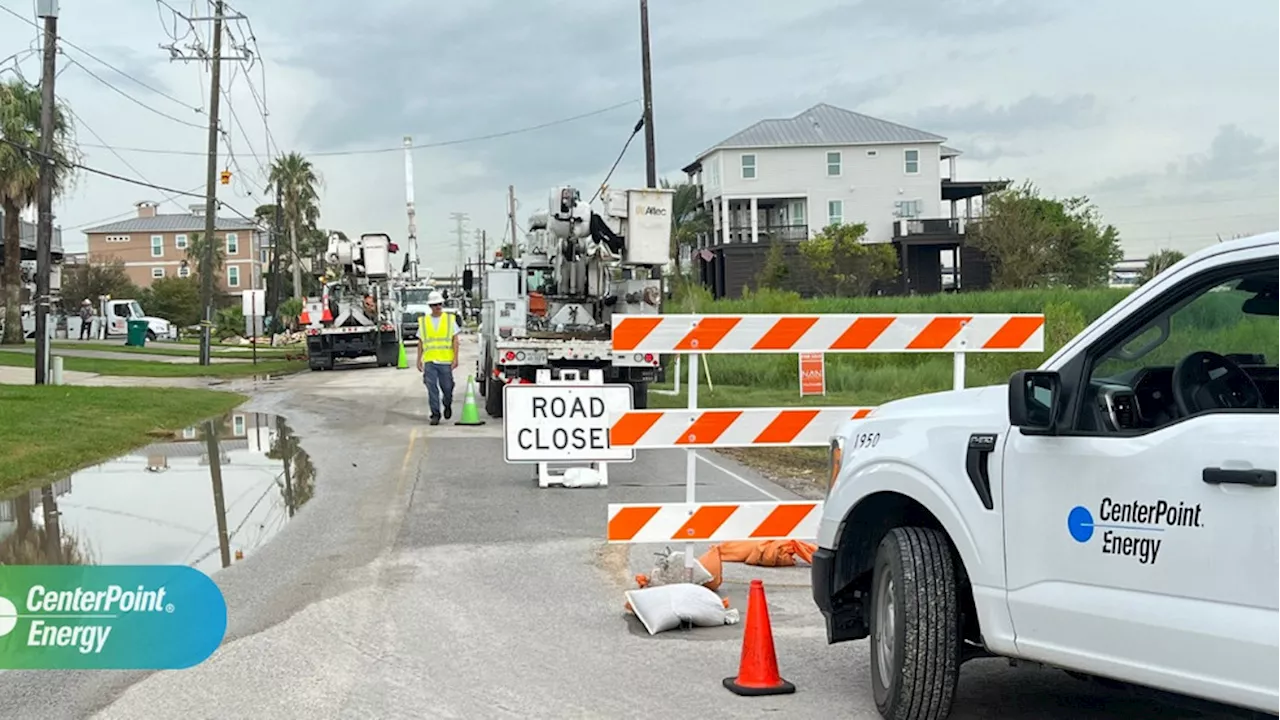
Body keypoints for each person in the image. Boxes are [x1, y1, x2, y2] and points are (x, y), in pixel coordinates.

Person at [416, 291, 459, 425]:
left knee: (447, 387)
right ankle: (435, 414)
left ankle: (447, 403)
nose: (438, 307)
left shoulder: (449, 319)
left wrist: (455, 358)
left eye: (439, 304)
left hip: (445, 361)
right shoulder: (424, 321)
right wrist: (419, 360)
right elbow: (421, 342)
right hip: (430, 361)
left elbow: (455, 340)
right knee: (432, 388)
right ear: (430, 306)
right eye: (435, 305)